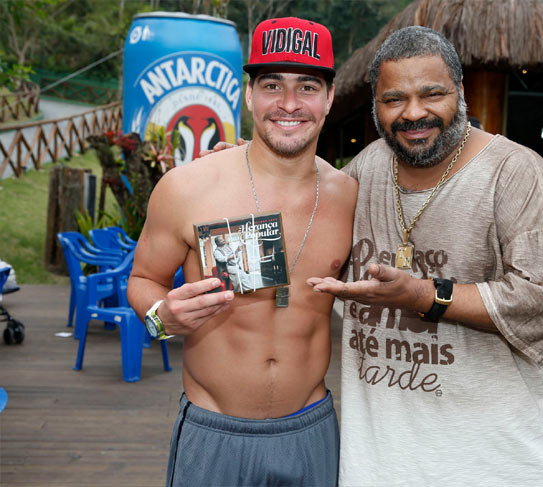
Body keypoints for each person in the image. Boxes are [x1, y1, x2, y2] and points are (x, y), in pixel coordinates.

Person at [307, 26, 543, 485]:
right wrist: (251, 170)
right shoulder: (368, 168)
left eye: (432, 94)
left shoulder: (516, 174)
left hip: (496, 461)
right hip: (380, 461)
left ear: (460, 92)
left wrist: (421, 294)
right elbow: (304, 224)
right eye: (394, 100)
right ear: (375, 104)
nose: (413, 113)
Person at [127, 17, 357, 486]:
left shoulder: (350, 196)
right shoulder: (186, 188)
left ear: (329, 98)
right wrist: (159, 318)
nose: (289, 104)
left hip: (311, 428)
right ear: (248, 94)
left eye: (307, 86)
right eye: (272, 85)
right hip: (214, 432)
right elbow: (143, 279)